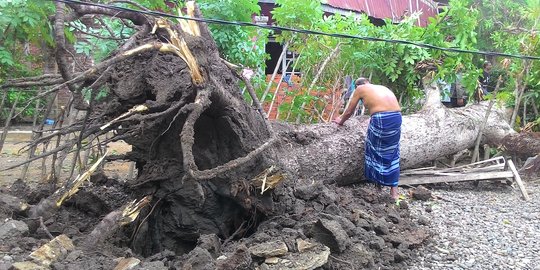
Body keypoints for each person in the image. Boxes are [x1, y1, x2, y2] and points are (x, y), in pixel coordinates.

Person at [333, 78, 402, 200]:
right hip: (396, 117)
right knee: (392, 152)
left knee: (373, 150)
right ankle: (394, 193)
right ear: (368, 82)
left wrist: (340, 121)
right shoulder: (381, 87)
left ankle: (378, 187)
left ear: (357, 85)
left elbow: (349, 111)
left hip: (382, 119)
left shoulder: (360, 89)